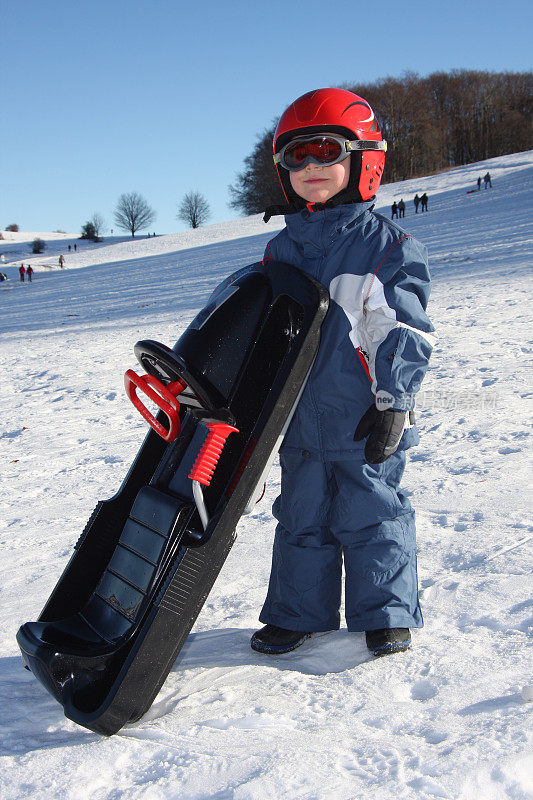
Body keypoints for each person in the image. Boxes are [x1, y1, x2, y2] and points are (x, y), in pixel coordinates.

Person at [253, 88, 435, 658]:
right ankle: (297, 613)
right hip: (299, 419)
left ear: (363, 158)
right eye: (295, 156)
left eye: (325, 150)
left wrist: (394, 402)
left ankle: (385, 612)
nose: (310, 167)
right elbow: (262, 334)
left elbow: (402, 331)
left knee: (371, 511)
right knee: (301, 515)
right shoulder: (280, 250)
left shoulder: (385, 247)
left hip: (361, 413)